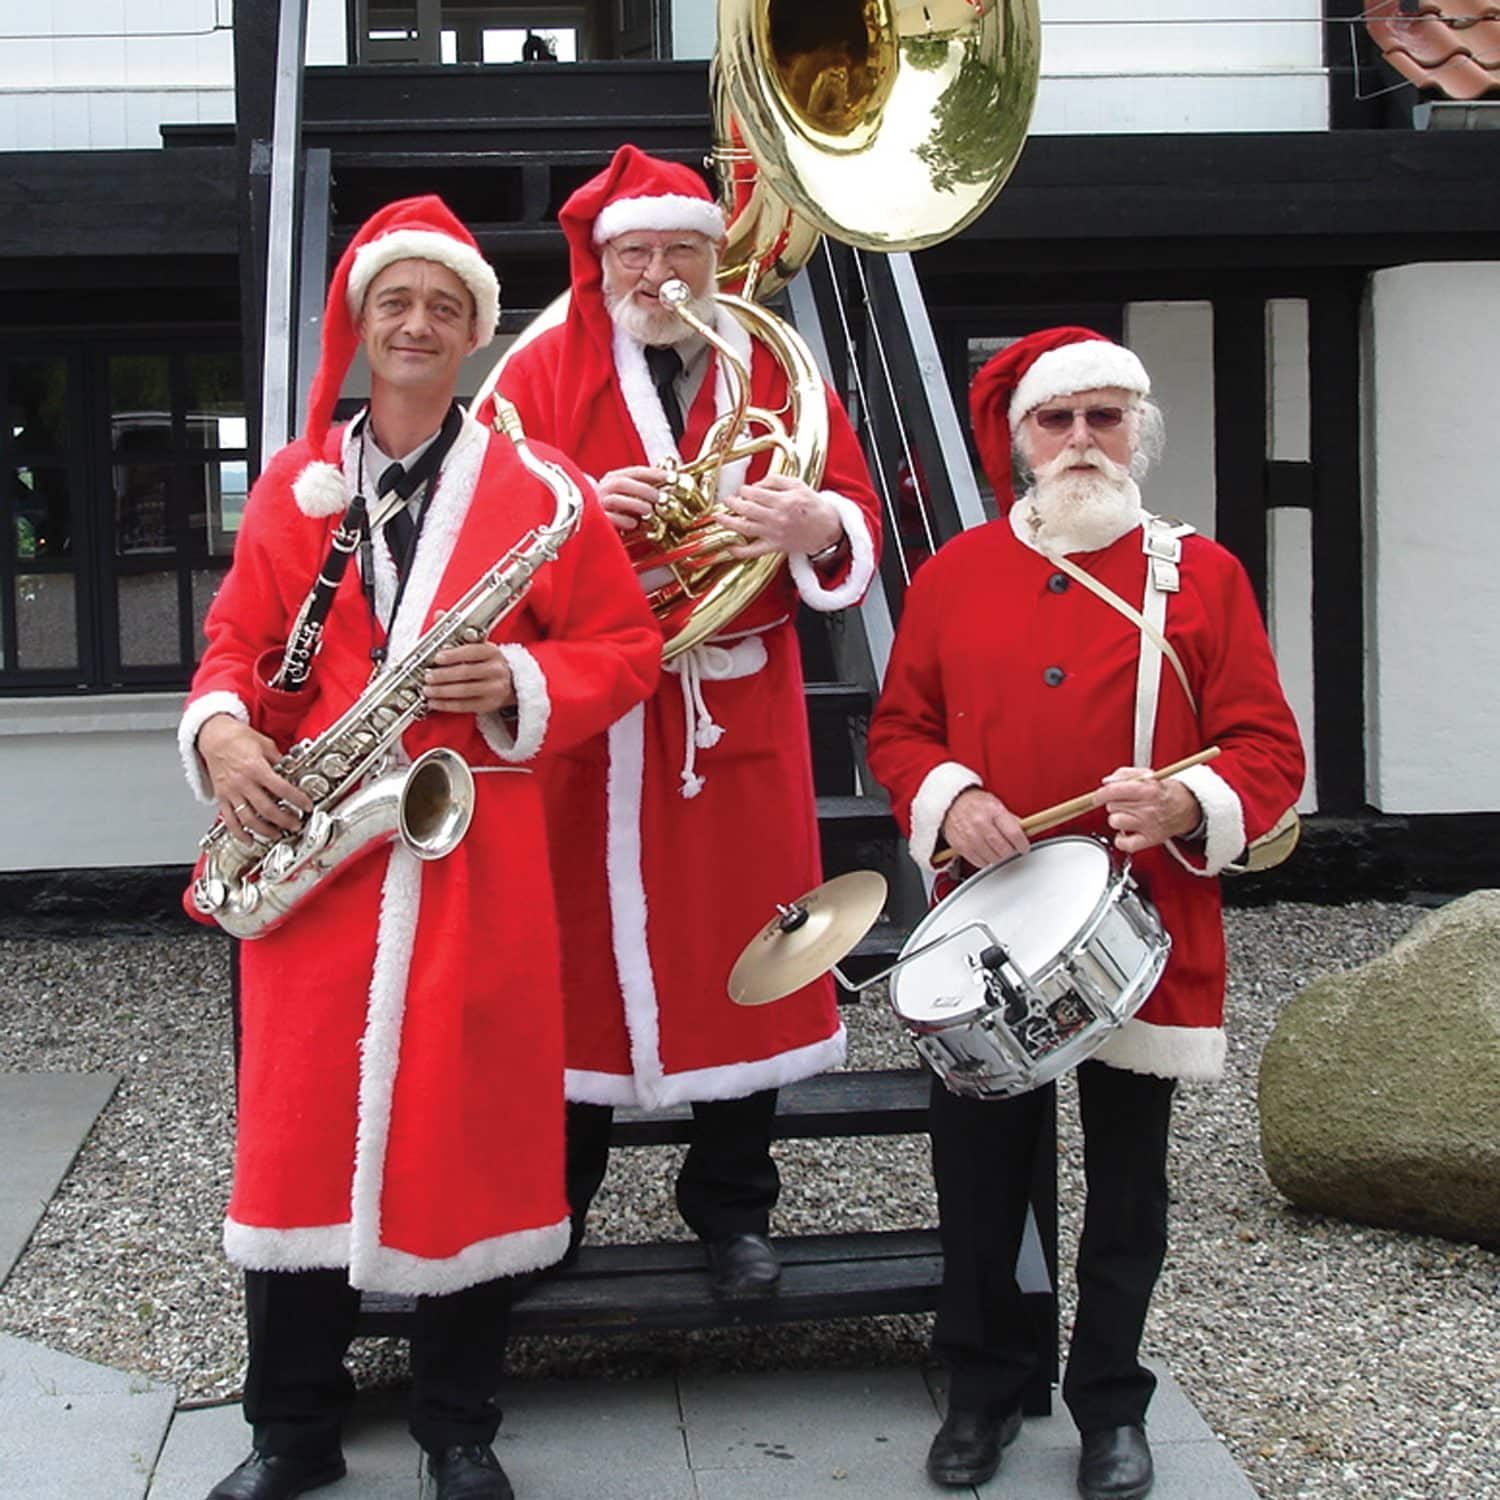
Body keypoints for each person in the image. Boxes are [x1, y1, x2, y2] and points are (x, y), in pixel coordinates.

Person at [177, 196, 660, 1500]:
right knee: (293, 1146)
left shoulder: (535, 493)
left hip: (470, 859)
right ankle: (290, 1431)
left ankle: (460, 1426)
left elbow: (626, 654)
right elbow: (233, 648)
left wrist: (512, 675)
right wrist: (224, 739)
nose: (416, 323)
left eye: (444, 308)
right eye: (396, 300)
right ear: (361, 321)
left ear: (469, 339)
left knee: (470, 1140)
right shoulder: (293, 488)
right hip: (314, 862)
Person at [866, 327, 1304, 1500]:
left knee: (1128, 1186)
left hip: (1140, 921)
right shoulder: (955, 574)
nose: (1078, 441)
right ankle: (984, 1391)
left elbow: (1270, 748)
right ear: (1019, 442)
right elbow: (900, 734)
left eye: (1103, 418)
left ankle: (1112, 1401)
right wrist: (951, 802)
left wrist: (1185, 799)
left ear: (1138, 433)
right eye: (1056, 421)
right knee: (977, 1175)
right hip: (988, 926)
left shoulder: (1199, 574)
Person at [482, 145, 882, 1299]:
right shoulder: (540, 366)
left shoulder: (768, 360)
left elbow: (849, 506)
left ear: (718, 257)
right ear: (601, 262)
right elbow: (483, 526)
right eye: (637, 253)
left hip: (731, 704)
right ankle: (553, 1206)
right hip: (592, 718)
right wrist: (571, 508)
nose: (660, 275)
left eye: (682, 252)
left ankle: (734, 1209)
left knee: (751, 946)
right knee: (573, 958)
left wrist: (811, 523)